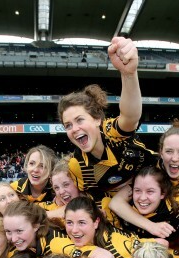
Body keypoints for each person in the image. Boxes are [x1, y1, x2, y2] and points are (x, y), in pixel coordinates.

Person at [58, 37, 157, 203]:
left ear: (97, 119)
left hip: (160, 183)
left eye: (79, 120)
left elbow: (130, 117)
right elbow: (96, 200)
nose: (74, 128)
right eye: (68, 125)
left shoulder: (111, 131)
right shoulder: (77, 166)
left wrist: (129, 74)